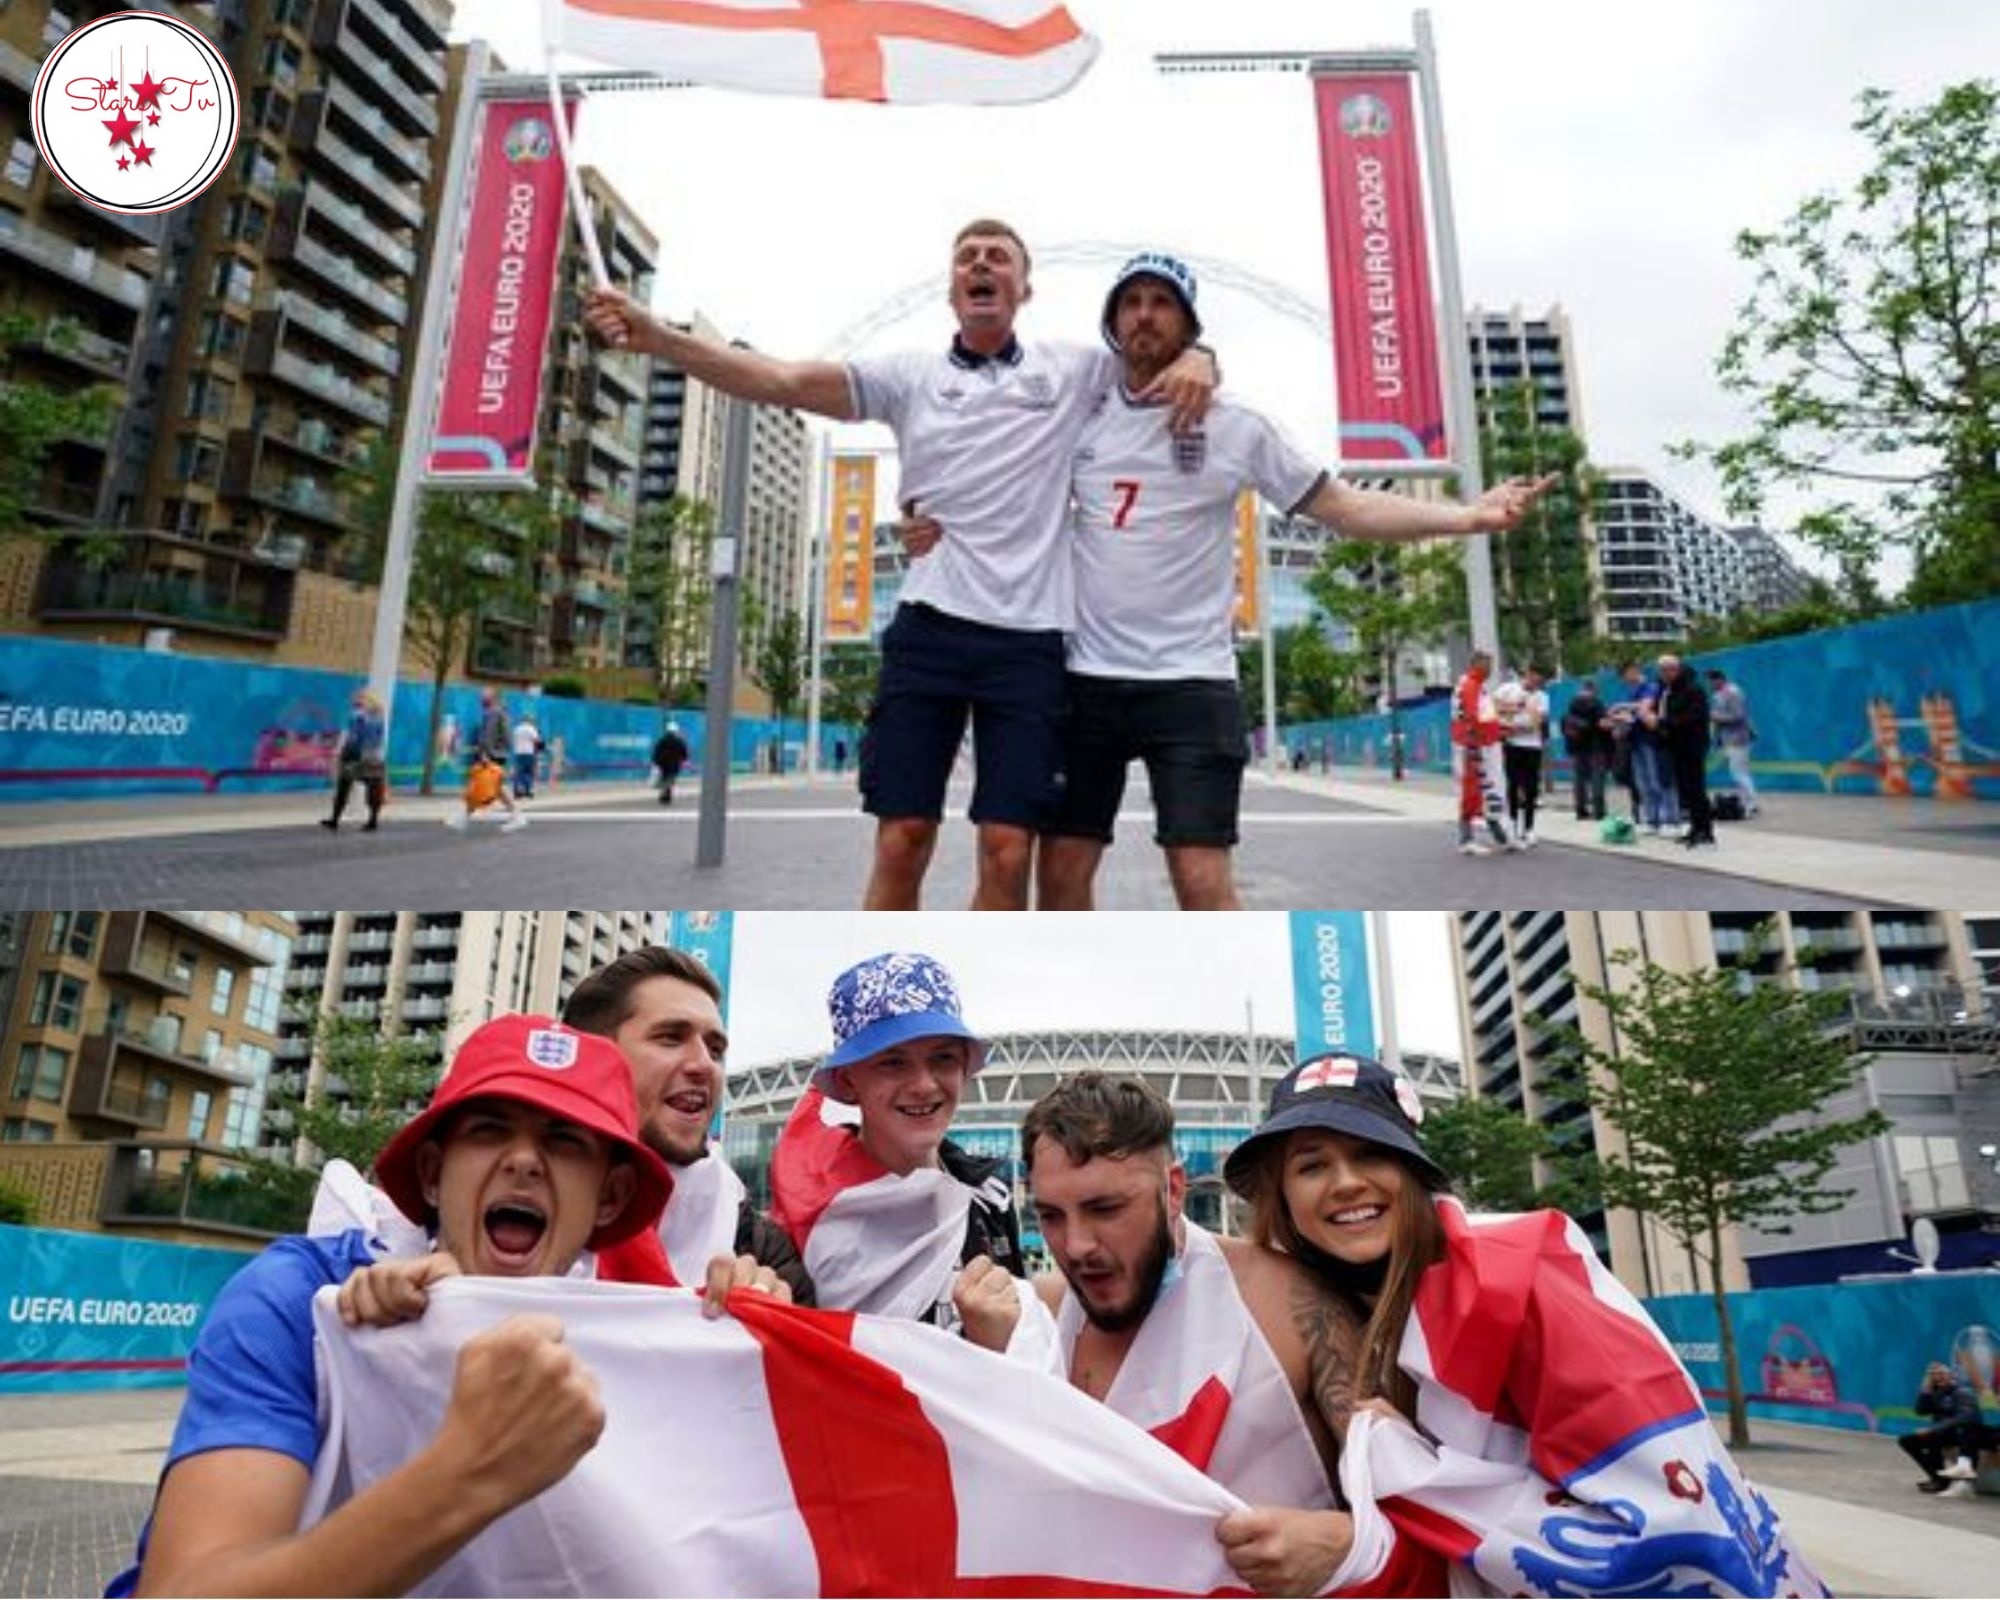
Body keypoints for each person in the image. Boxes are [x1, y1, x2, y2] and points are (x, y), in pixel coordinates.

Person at [582, 220, 1218, 912]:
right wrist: (661, 339)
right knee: (902, 838)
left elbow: (1151, 352)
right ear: (953, 288)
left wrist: (1204, 358)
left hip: (1031, 643)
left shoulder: (1071, 370)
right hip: (930, 631)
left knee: (1008, 849)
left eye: (997, 257)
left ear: (1023, 289)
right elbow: (785, 379)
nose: (981, 264)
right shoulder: (908, 377)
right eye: (967, 257)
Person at [924, 253, 1553, 911]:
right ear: (1112, 321)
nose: (1144, 314)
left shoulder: (1239, 426)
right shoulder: (1079, 408)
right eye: (1131, 301)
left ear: (1189, 323)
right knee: (1061, 877)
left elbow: (1343, 506)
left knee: (1201, 881)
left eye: (1161, 302)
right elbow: (986, 441)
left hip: (1193, 683)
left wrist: (1469, 516)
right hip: (1084, 679)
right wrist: (922, 509)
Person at [106, 1014, 675, 1598]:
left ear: (610, 1196)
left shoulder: (645, 1340)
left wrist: (756, 1322)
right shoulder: (297, 1303)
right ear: (432, 1174)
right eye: (487, 1129)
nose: (524, 1160)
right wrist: (470, 1473)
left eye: (564, 1138)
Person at [1221, 1054, 1824, 1598]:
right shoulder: (1328, 1306)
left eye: (1371, 1153)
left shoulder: (1524, 1276)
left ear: (1414, 1172)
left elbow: (1671, 1531)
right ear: (1285, 1197)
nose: (1347, 1181)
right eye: (1312, 1165)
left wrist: (1402, 1466)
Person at [1022, 1071, 1442, 1597]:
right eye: (1051, 1216)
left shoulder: (1294, 1304)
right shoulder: (1030, 1319)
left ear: (1173, 1190)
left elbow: (1433, 1520)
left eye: (1106, 1209)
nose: (1078, 1244)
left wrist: (1348, 1541)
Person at [768, 951, 1042, 1358]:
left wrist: (1002, 1345)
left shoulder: (989, 1198)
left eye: (943, 1058)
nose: (924, 1085)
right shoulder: (805, 1217)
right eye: (893, 1063)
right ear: (848, 1080)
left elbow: (1025, 1357)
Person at [560, 945, 812, 1302]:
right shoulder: (497, 1212)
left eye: (715, 1049)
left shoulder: (762, 1252)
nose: (704, 1065)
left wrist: (775, 1330)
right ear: (595, 1057)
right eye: (671, 1038)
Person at [1449, 650, 1512, 857]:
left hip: (1478, 744)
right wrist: (1474, 747)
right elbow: (1471, 718)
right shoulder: (1470, 686)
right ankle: (1467, 839)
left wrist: (1498, 729)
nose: (1490, 670)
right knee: (1475, 791)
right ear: (1477, 664)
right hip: (1476, 746)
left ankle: (1500, 837)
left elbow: (1481, 716)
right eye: (1488, 665)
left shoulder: (1472, 685)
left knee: (1487, 790)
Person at [1608, 660, 1677, 835]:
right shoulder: (1631, 691)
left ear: (1635, 670)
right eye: (1623, 676)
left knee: (1657, 781)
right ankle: (1651, 820)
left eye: (1627, 673)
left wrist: (1621, 707)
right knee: (1642, 783)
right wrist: (1618, 724)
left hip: (1651, 741)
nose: (1626, 678)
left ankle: (1668, 820)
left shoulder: (1650, 686)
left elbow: (1645, 706)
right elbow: (1631, 717)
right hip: (1635, 741)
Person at [1899, 1360, 1986, 1493]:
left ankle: (1940, 1481)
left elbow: (1967, 1416)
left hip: (1962, 1434)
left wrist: (1934, 1429)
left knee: (1934, 1440)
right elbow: (1920, 1411)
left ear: (1951, 1375)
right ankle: (1938, 1477)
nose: (1938, 1377)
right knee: (1906, 1441)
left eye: (1942, 1374)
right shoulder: (1936, 1392)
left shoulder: (1963, 1391)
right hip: (1942, 1433)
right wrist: (1925, 1390)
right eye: (1934, 1376)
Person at [447, 688, 527, 833]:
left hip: (491, 755)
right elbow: (506, 737)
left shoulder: (493, 713)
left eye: (485, 694)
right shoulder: (501, 711)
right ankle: (465, 818)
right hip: (498, 754)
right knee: (491, 787)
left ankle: (465, 818)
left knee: (479, 786)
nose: (481, 696)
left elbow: (488, 736)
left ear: (494, 697)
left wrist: (485, 754)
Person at [1658, 654, 1716, 848]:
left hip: (1692, 745)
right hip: (1676, 746)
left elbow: (1692, 719)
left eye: (1668, 670)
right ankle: (1694, 828)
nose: (1664, 674)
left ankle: (1706, 832)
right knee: (1685, 791)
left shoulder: (1693, 689)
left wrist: (1662, 722)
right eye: (1662, 670)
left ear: (1676, 669)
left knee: (1696, 789)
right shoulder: (1670, 690)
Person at [1497, 666, 1550, 848]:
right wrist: (1516, 709)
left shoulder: (1542, 697)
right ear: (1526, 675)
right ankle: (1512, 825)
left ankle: (1529, 829)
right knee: (1512, 784)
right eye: (1533, 677)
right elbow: (1494, 708)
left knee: (1531, 788)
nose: (1535, 681)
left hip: (1533, 746)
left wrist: (1510, 725)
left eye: (1539, 679)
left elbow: (1536, 723)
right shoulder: (1508, 689)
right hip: (1512, 746)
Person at [320, 688, 385, 833]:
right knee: (351, 786)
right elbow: (350, 733)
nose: (355, 701)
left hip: (362, 754)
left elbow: (359, 735)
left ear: (368, 700)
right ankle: (338, 819)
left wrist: (340, 750)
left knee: (363, 787)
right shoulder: (366, 715)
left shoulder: (366, 715)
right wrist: (339, 750)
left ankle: (368, 821)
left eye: (359, 699)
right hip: (361, 754)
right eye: (355, 699)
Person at [1706, 668, 1759, 818]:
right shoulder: (1718, 694)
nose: (1709, 684)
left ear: (1720, 679)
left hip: (1738, 738)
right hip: (1729, 738)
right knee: (1741, 771)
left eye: (1711, 680)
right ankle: (1748, 801)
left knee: (1738, 773)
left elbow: (1738, 715)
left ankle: (1750, 804)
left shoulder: (1733, 693)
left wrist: (1714, 716)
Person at [1559, 677, 1614, 821]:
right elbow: (1603, 724)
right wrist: (1613, 722)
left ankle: (1580, 810)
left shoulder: (1573, 703)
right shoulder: (1597, 703)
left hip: (1577, 746)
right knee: (1597, 779)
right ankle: (1599, 812)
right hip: (1596, 746)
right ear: (1595, 689)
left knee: (1579, 780)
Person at [652, 721, 690, 807]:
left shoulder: (662, 740)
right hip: (674, 764)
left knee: (664, 778)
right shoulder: (679, 741)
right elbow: (684, 752)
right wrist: (685, 760)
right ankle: (666, 795)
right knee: (670, 780)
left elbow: (657, 751)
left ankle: (664, 795)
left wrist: (656, 762)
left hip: (663, 764)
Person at [511, 713, 542, 800]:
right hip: (529, 752)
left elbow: (514, 740)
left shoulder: (516, 729)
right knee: (529, 772)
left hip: (518, 753)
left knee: (519, 773)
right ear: (529, 720)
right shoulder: (531, 729)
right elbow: (537, 741)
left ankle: (517, 791)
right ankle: (528, 790)